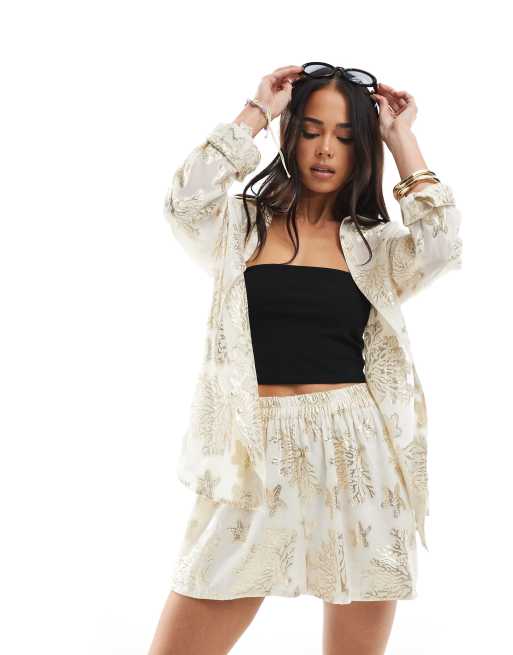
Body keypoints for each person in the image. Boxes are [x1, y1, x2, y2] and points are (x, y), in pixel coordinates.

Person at [148, 63, 463, 655]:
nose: (325, 150)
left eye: (344, 137)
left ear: (361, 148)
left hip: (358, 450)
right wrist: (257, 110)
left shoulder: (374, 245)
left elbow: (441, 244)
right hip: (256, 454)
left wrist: (401, 138)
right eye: (312, 131)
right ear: (291, 135)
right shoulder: (241, 226)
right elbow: (184, 201)